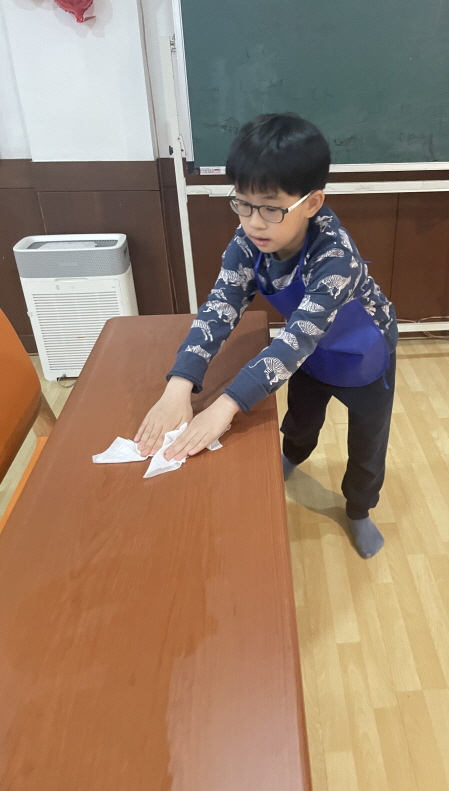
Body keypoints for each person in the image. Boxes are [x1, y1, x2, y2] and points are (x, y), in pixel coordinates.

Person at [135, 113, 398, 558]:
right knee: (300, 421)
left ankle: (358, 510)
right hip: (310, 357)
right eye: (243, 203)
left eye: (271, 208)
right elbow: (220, 308)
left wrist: (224, 408)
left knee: (367, 446)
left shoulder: (336, 257)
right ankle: (291, 457)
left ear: (312, 203)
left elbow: (295, 340)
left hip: (364, 357)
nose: (254, 223)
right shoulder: (248, 243)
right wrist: (179, 386)